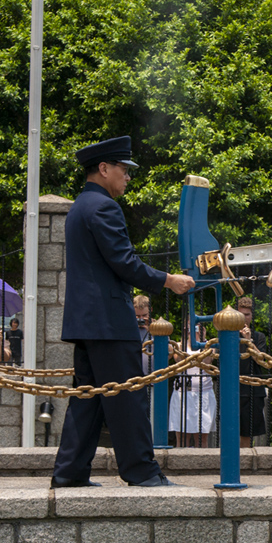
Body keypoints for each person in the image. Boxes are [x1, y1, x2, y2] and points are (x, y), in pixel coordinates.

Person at [51, 136, 195, 489]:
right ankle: (142, 471)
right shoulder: (104, 207)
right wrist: (168, 280)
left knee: (89, 399)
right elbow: (124, 262)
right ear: (104, 169)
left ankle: (69, 473)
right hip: (109, 322)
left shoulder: (80, 206)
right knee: (127, 396)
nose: (128, 177)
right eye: (123, 169)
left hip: (88, 323)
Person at [169, 323, 216, 447]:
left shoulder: (209, 346)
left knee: (201, 439)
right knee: (182, 438)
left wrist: (202, 341)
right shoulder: (179, 346)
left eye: (196, 327)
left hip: (203, 393)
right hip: (182, 393)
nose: (192, 331)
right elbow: (178, 360)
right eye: (189, 328)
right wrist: (185, 340)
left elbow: (207, 361)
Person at [237, 296, 268, 447]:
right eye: (241, 314)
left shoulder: (258, 337)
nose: (244, 318)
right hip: (234, 388)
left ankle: (245, 462)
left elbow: (262, 360)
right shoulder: (229, 336)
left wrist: (249, 341)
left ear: (251, 316)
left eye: (247, 315)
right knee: (232, 430)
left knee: (248, 433)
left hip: (252, 389)